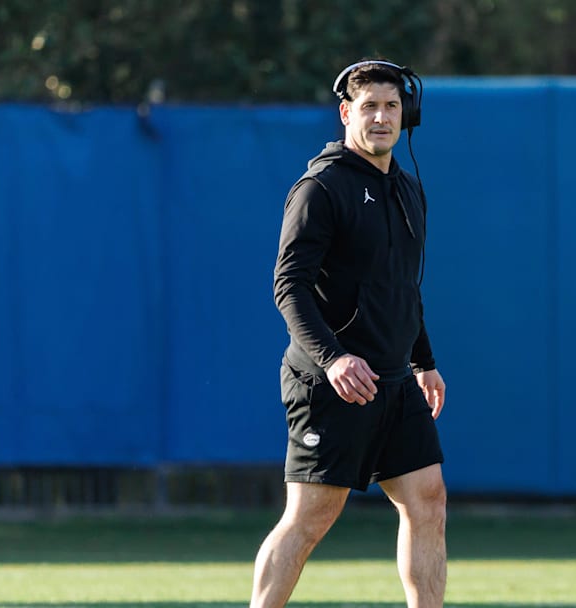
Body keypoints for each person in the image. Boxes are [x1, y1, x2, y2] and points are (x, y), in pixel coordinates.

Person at [250, 60, 447, 608]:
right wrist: (334, 359)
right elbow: (289, 288)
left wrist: (423, 361)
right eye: (369, 107)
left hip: (393, 380)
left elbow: (402, 287)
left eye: (391, 106)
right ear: (346, 113)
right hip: (331, 381)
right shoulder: (321, 188)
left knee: (427, 499)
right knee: (312, 515)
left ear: (406, 113)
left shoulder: (408, 189)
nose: (382, 117)